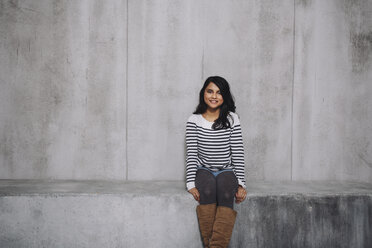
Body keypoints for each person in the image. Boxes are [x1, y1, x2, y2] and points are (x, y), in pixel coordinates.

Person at [186, 76, 247, 248]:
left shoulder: (232, 118)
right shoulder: (194, 120)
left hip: (226, 170)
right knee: (207, 189)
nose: (214, 96)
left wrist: (241, 183)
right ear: (203, 94)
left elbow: (237, 152)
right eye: (210, 91)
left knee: (227, 192)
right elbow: (191, 153)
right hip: (203, 169)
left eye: (219, 92)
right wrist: (190, 183)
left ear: (225, 96)